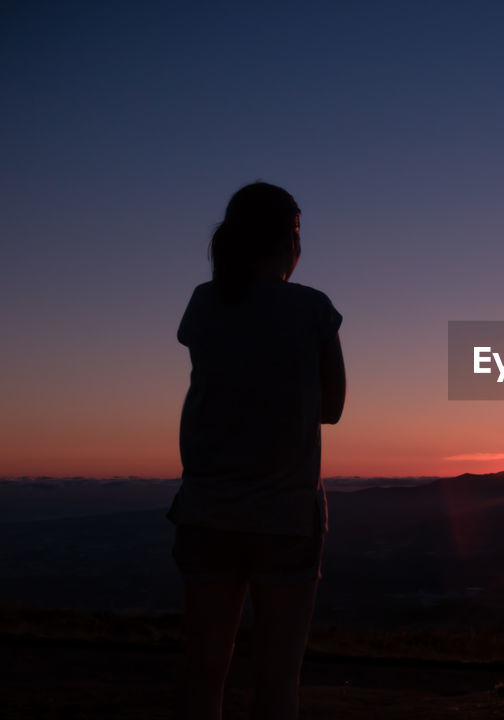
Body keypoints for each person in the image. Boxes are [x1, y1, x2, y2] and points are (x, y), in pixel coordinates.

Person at [168, 182, 345, 719]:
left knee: (203, 675)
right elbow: (332, 407)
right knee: (276, 684)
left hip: (206, 512)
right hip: (285, 517)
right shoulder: (312, 308)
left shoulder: (205, 301)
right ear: (289, 238)